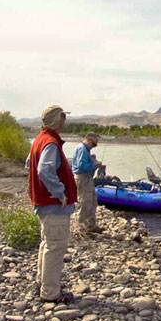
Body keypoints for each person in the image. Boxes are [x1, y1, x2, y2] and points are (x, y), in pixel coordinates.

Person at [27, 104, 77, 303]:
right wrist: (60, 193)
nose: (65, 121)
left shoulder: (39, 139)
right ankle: (50, 293)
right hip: (54, 205)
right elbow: (44, 169)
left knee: (47, 245)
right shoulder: (50, 142)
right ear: (58, 119)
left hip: (44, 204)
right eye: (64, 117)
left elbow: (29, 163)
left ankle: (43, 284)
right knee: (55, 247)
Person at [72, 132, 104, 234]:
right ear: (89, 140)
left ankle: (91, 224)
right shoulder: (82, 149)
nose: (93, 147)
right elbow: (81, 166)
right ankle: (81, 227)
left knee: (93, 200)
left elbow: (84, 163)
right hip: (83, 177)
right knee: (85, 201)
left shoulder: (85, 150)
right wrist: (95, 164)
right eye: (93, 144)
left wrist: (92, 159)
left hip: (87, 177)